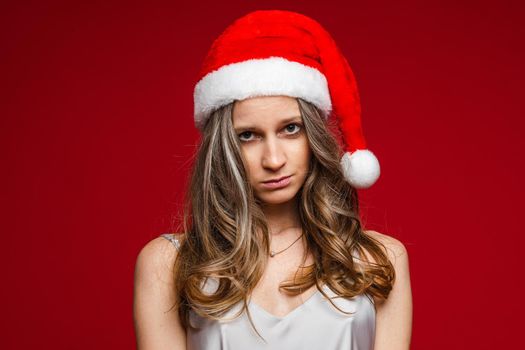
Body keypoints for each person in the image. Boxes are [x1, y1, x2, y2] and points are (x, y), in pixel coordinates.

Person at [133, 10, 412, 350]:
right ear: (223, 147)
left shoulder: (380, 261)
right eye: (248, 136)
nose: (274, 159)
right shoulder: (168, 264)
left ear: (314, 136)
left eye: (290, 129)